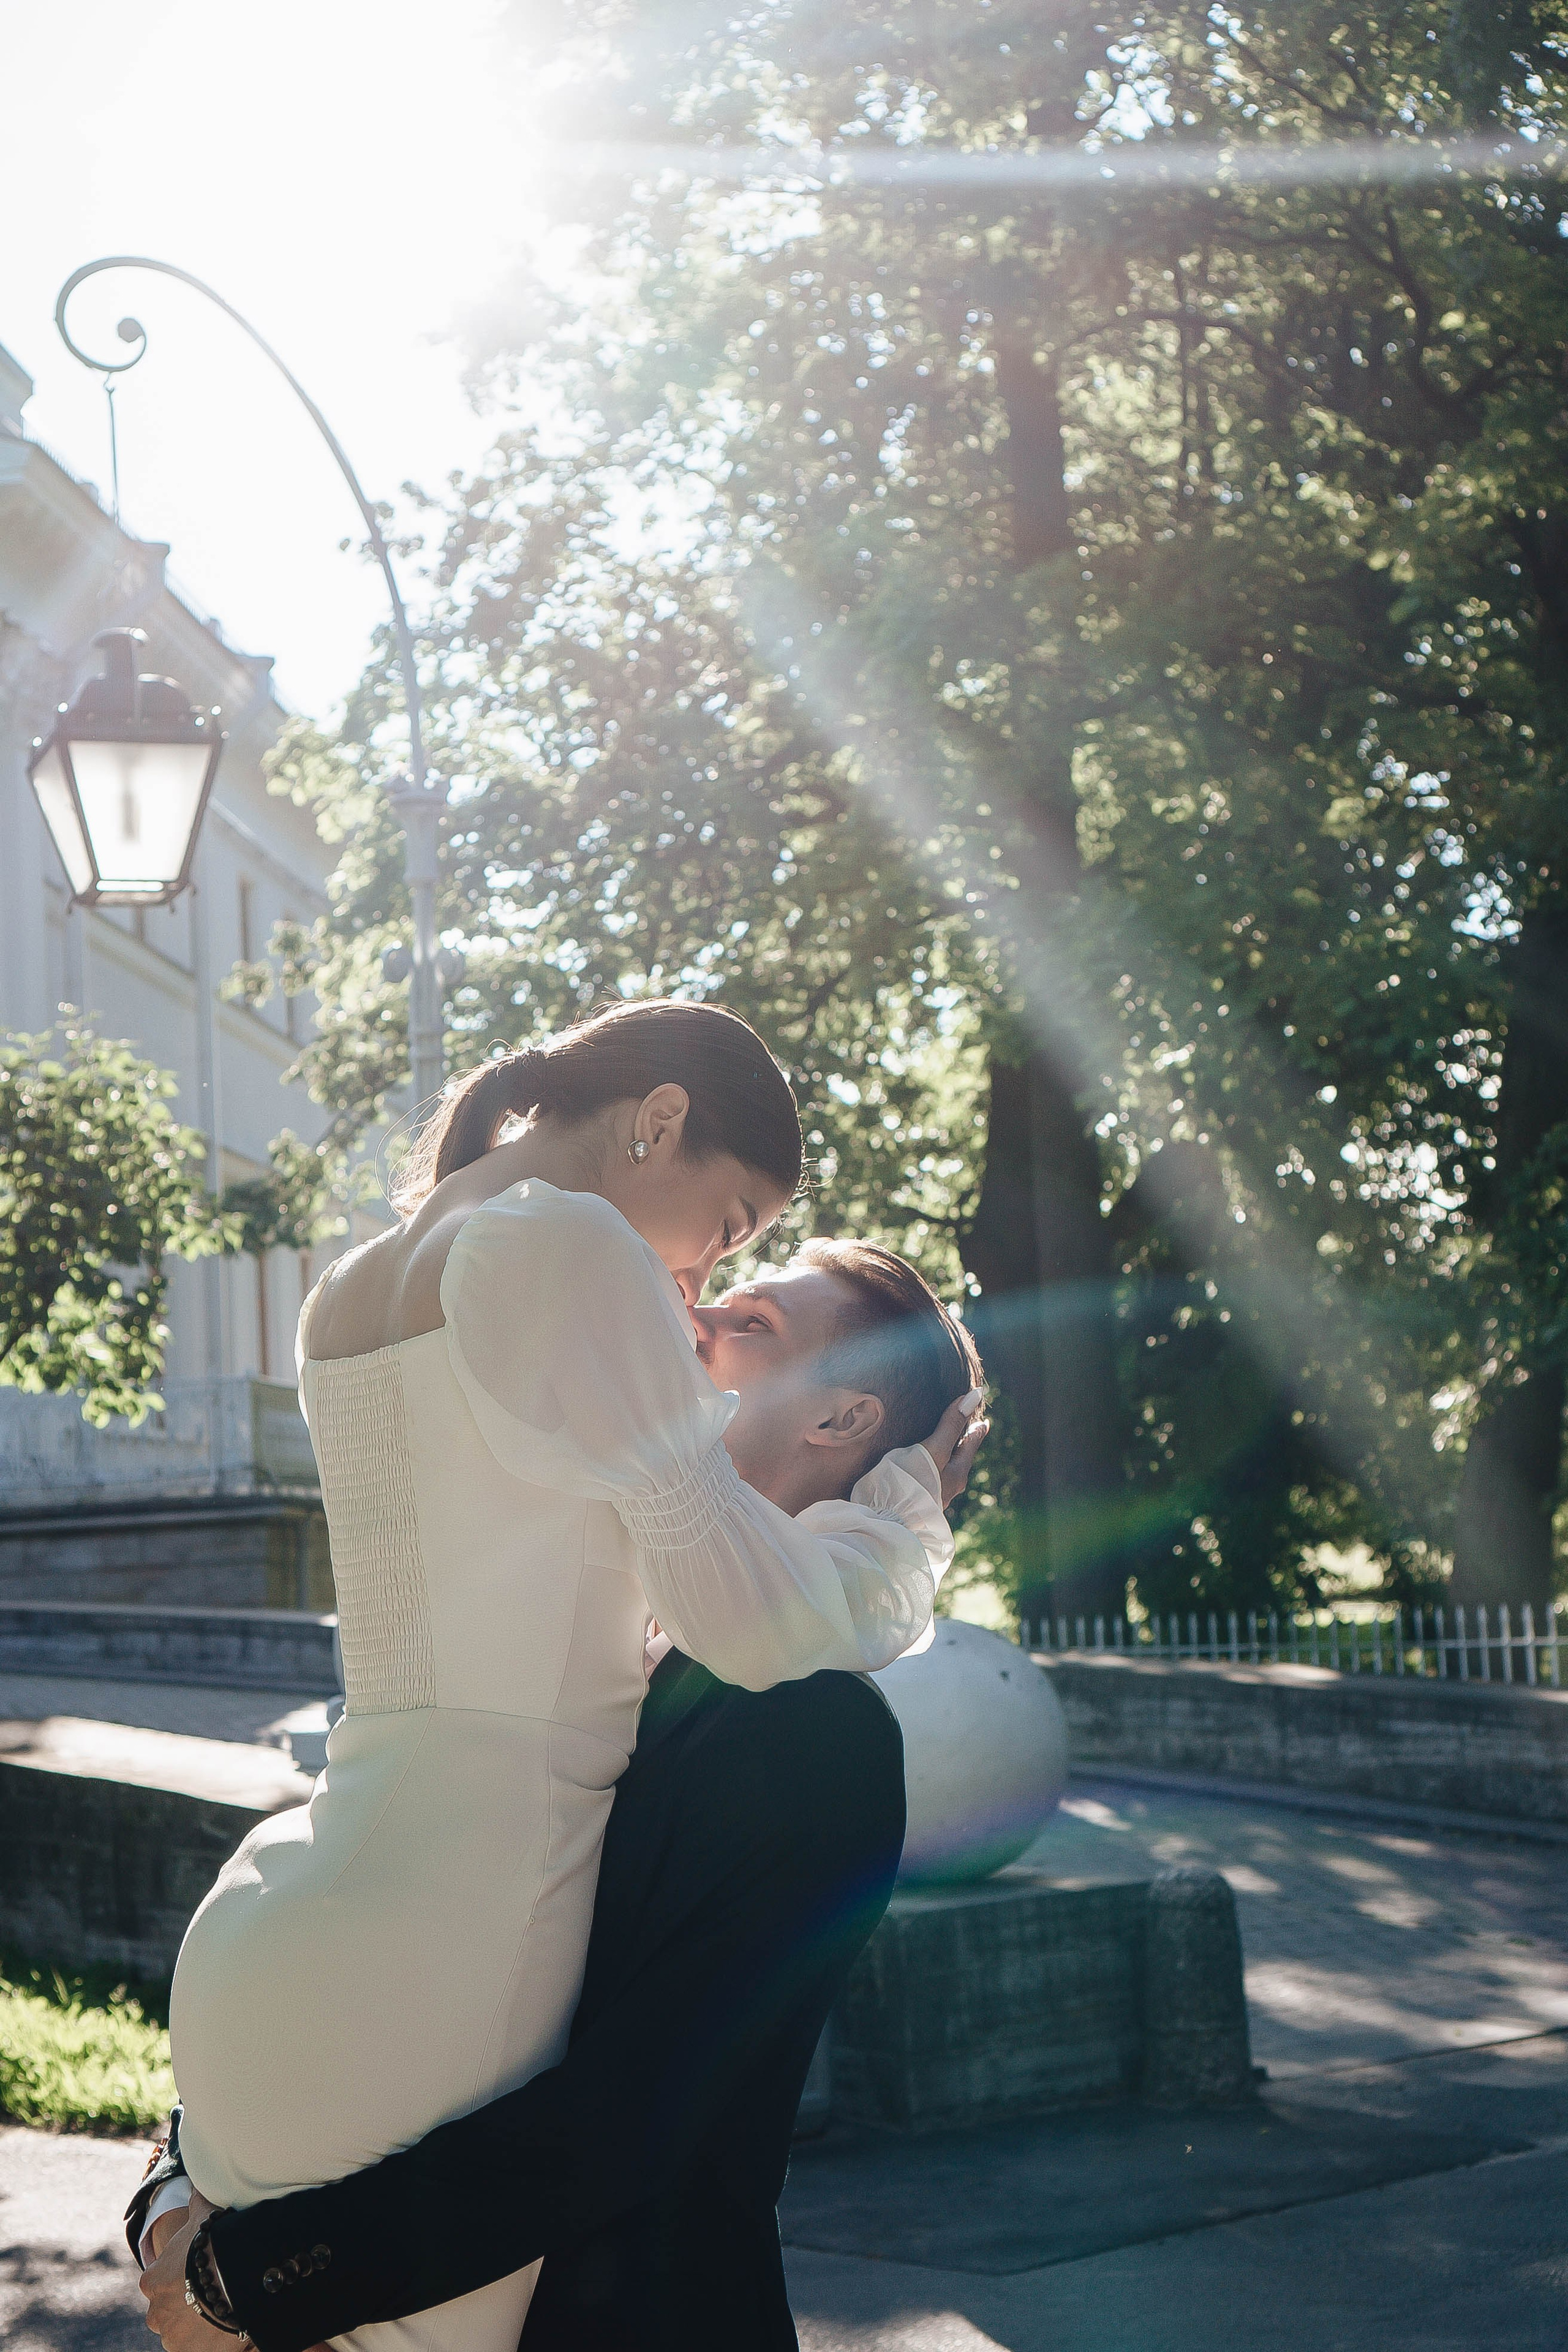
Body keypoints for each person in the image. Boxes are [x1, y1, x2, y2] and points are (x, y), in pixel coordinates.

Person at [151, 999, 973, 2352]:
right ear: (657, 1122)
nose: (699, 1289)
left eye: (738, 1283)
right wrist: (897, 1531)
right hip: (458, 1920)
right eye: (729, 1227)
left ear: (844, 1417)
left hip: (290, 1910)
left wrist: (213, 2244)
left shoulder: (357, 1279)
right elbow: (754, 1623)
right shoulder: (568, 1241)